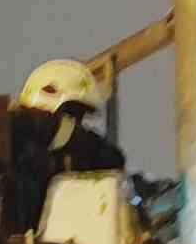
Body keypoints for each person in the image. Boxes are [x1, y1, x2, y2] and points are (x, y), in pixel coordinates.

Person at [11, 60, 124, 233]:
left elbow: (109, 160)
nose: (77, 123)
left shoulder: (70, 154)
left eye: (79, 116)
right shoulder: (14, 134)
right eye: (73, 113)